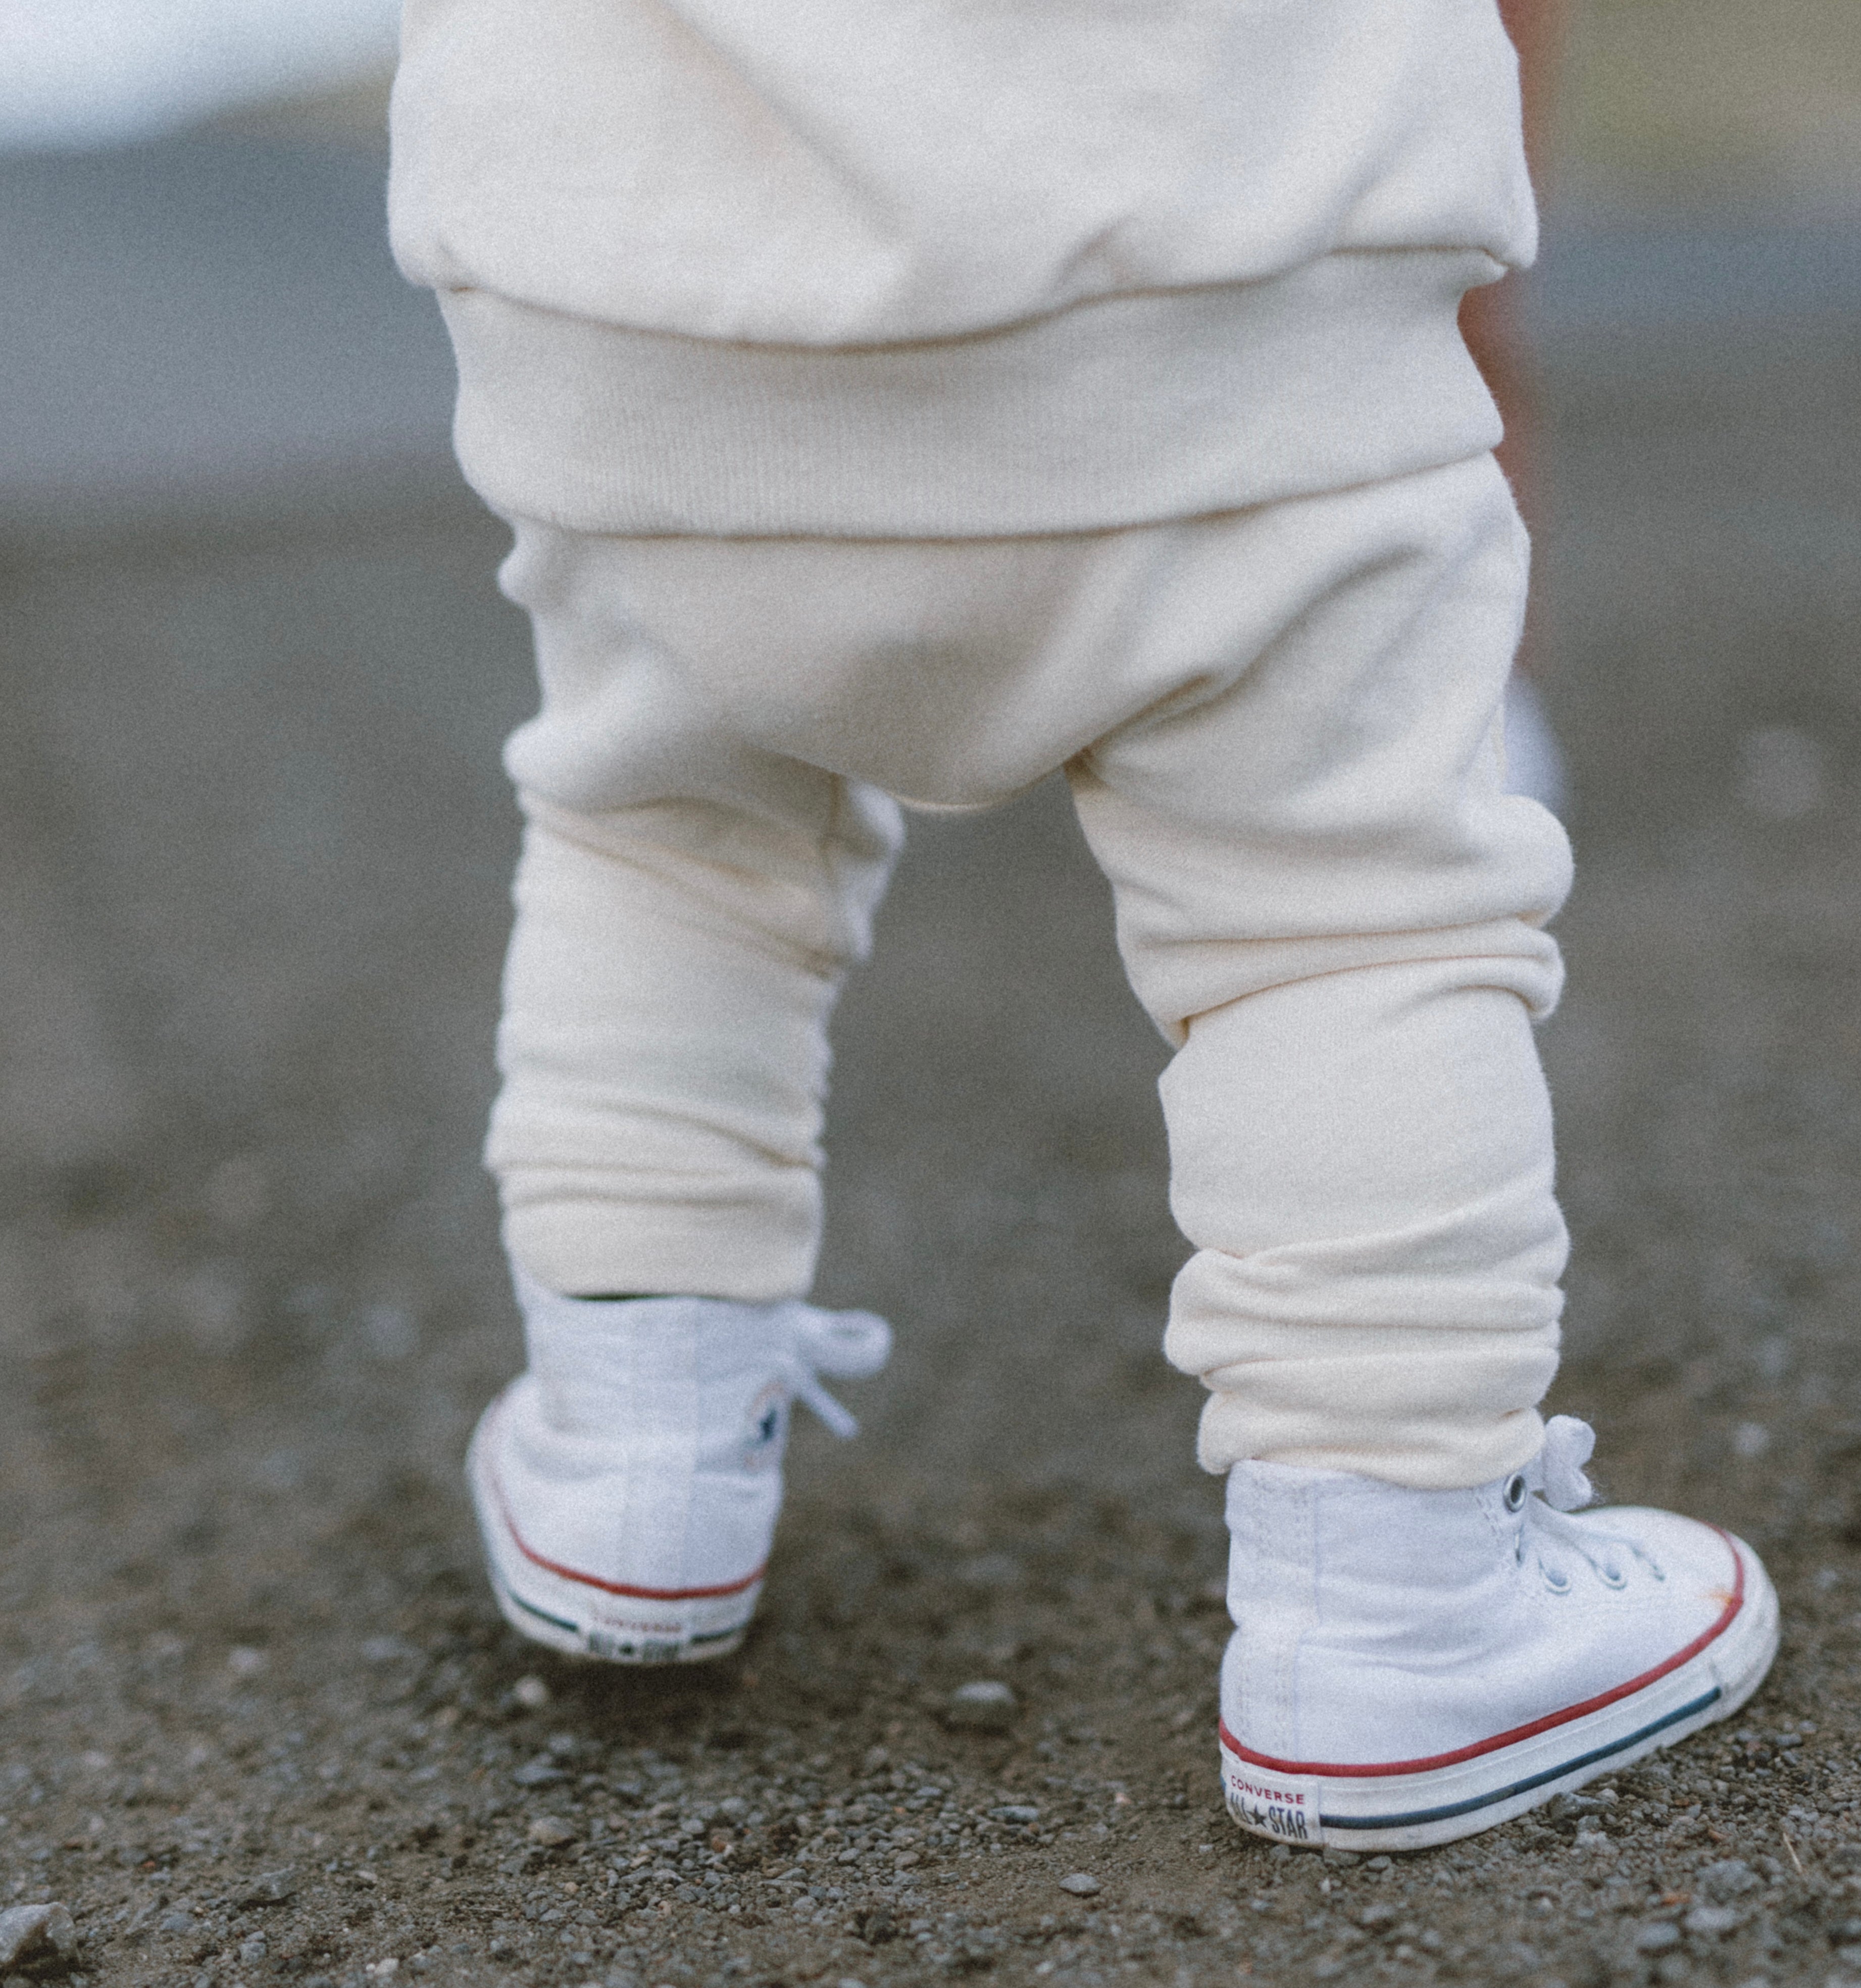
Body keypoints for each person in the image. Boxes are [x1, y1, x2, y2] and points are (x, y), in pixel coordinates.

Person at [387, 0, 1777, 1851]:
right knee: (1334, 918)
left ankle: (633, 1446)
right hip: (1215, 238)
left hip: (629, 265)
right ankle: (1396, 1612)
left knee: (667, 829)